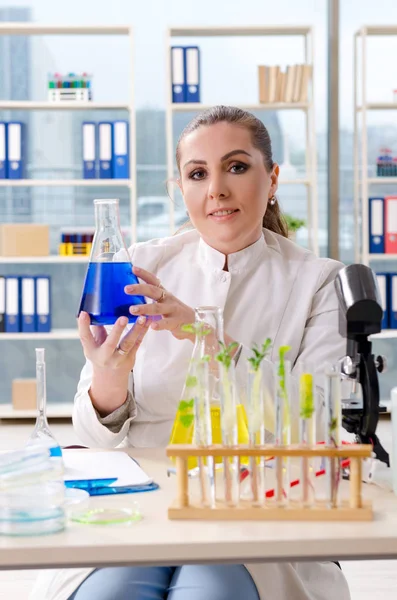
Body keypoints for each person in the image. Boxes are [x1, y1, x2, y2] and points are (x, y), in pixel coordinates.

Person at [30, 105, 351, 600]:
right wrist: (108, 379)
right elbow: (94, 437)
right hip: (140, 504)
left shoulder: (319, 282)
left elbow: (315, 422)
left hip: (255, 509)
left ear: (273, 179)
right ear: (181, 189)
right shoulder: (138, 266)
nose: (216, 190)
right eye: (197, 174)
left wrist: (206, 335)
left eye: (237, 167)